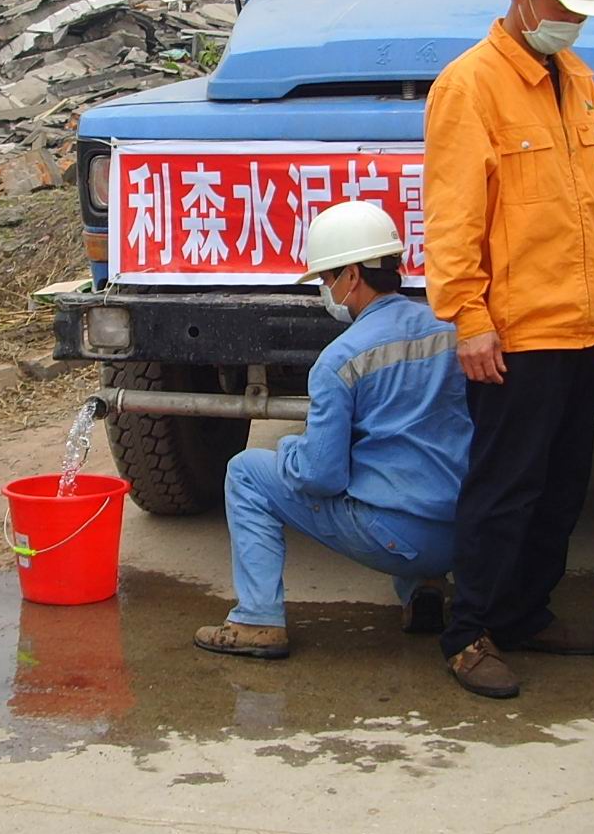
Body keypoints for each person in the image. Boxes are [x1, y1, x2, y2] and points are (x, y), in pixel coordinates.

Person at [422, 0, 594, 699]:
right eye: (561, 7)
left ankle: (524, 613)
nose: (572, 23)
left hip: (579, 325)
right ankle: (468, 632)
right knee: (503, 489)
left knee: (560, 483)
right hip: (514, 332)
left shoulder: (578, 83)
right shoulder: (469, 87)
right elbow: (452, 219)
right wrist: (470, 321)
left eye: (582, 10)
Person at [192, 202, 470, 659]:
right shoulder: (451, 331)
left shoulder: (339, 360)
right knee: (404, 453)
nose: (326, 289)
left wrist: (289, 450)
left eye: (326, 278)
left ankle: (257, 621)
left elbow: (322, 477)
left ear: (353, 277)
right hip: (465, 531)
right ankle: (426, 591)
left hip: (397, 540)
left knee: (246, 471)